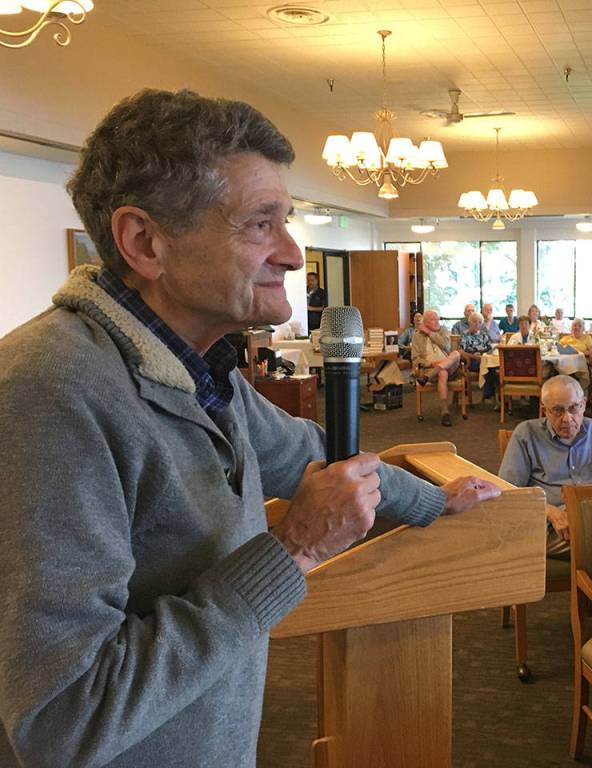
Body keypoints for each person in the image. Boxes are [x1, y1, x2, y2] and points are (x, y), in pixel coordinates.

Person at [0, 89, 502, 767]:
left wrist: (436, 500)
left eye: (287, 221)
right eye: (260, 224)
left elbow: (316, 458)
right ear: (145, 242)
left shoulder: (203, 372)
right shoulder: (51, 394)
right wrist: (292, 548)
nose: (295, 256)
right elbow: (62, 721)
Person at [499, 375, 592, 556]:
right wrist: (549, 511)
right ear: (545, 410)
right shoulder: (526, 434)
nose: (567, 418)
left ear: (583, 404)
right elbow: (508, 492)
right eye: (558, 411)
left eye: (574, 408)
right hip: (549, 524)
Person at [412, 309, 464, 426]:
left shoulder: (443, 330)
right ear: (425, 322)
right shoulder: (417, 336)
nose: (437, 322)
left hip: (450, 366)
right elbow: (415, 359)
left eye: (437, 319)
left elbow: (446, 345)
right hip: (430, 368)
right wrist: (431, 364)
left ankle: (427, 377)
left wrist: (431, 334)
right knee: (442, 372)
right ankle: (445, 413)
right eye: (433, 320)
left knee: (456, 354)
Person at [459, 311, 497, 404]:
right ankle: (493, 398)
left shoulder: (484, 334)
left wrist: (489, 353)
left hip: (484, 359)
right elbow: (461, 352)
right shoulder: (465, 335)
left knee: (494, 367)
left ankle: (491, 395)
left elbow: (489, 348)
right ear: (469, 322)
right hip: (472, 361)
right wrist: (475, 357)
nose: (477, 324)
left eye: (480, 322)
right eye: (475, 321)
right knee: (490, 368)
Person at [559, 317, 592, 391]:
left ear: (583, 328)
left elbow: (591, 351)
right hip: (565, 362)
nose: (577, 327)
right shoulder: (565, 338)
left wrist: (580, 353)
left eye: (579, 326)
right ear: (572, 328)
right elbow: (557, 348)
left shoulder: (587, 337)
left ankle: (582, 393)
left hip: (580, 362)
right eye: (574, 325)